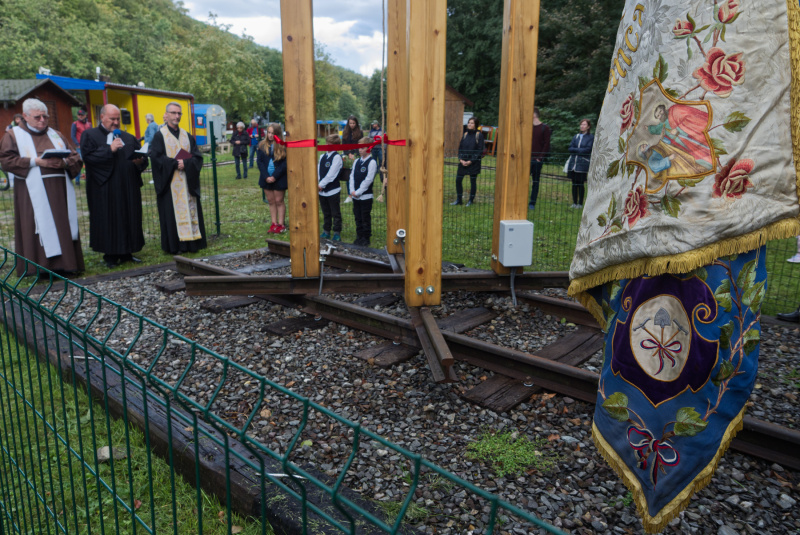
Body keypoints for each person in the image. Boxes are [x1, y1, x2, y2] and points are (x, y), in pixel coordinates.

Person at [0, 98, 84, 275]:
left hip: (60, 191)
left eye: (45, 117)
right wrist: (35, 161)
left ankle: (67, 265)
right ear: (25, 116)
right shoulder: (13, 136)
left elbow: (76, 158)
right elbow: (6, 161)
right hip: (31, 193)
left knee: (62, 224)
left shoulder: (56, 135)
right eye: (37, 117)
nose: (42, 120)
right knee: (36, 226)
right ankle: (40, 267)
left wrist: (64, 163)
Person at [80, 104, 148, 268]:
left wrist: (140, 162)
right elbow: (88, 158)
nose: (116, 122)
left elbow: (142, 158)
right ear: (102, 117)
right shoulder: (90, 135)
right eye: (112, 119)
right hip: (105, 188)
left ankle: (127, 253)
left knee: (129, 217)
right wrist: (109, 150)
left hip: (128, 186)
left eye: (118, 119)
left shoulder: (128, 137)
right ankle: (110, 255)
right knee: (108, 219)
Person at [148, 101, 207, 254]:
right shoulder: (159, 136)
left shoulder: (187, 136)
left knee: (190, 210)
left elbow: (197, 157)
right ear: (166, 115)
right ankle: (176, 246)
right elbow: (156, 158)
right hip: (170, 184)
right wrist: (174, 164)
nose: (177, 116)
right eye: (173, 113)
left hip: (187, 183)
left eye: (179, 113)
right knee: (171, 214)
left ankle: (192, 243)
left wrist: (186, 163)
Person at [257, 123, 287, 234]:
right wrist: (266, 177)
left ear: (277, 134)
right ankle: (274, 223)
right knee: (271, 201)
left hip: (279, 178)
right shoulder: (262, 145)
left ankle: (281, 224)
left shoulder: (283, 146)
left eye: (273, 133)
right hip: (266, 178)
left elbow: (284, 163)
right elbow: (259, 162)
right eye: (269, 132)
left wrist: (274, 176)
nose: (270, 135)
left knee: (279, 201)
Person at [348, 137, 378, 246]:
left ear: (369, 148)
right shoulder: (356, 161)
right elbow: (352, 176)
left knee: (365, 217)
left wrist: (359, 192)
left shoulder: (372, 162)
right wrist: (352, 190)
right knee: (357, 216)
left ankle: (366, 238)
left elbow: (368, 180)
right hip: (355, 195)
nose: (360, 150)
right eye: (359, 147)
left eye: (362, 148)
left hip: (365, 196)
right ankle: (359, 236)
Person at [451, 117, 484, 206]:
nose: (469, 124)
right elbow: (460, 148)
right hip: (463, 162)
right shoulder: (465, 134)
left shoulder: (479, 135)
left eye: (472, 123)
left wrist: (471, 161)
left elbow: (479, 150)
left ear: (476, 125)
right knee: (458, 180)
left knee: (473, 182)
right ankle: (459, 200)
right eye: (469, 122)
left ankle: (470, 201)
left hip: (474, 163)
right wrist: (461, 159)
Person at [318, 134, 343, 242]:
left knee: (335, 213)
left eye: (330, 144)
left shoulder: (337, 157)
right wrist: (317, 183)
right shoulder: (322, 156)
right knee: (326, 212)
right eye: (327, 143)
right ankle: (326, 231)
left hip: (333, 190)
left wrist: (321, 184)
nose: (327, 145)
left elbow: (331, 175)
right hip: (322, 191)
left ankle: (337, 232)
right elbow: (318, 171)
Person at [566, 119, 594, 208]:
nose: (582, 126)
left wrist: (576, 150)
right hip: (573, 164)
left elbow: (588, 150)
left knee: (580, 184)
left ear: (588, 126)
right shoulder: (576, 136)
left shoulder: (591, 137)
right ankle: (574, 202)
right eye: (581, 124)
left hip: (582, 164)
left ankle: (580, 203)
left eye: (584, 124)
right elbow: (570, 148)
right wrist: (579, 150)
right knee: (574, 183)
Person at [528, 107, 551, 210]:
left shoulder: (545, 128)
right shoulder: (527, 127)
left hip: (537, 160)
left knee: (535, 181)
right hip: (527, 159)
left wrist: (540, 158)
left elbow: (546, 144)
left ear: (534, 114)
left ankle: (532, 203)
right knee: (523, 181)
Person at [70, 107, 90, 185]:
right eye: (79, 115)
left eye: (82, 115)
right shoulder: (75, 124)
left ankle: (89, 179)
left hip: (88, 146)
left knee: (89, 163)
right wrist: (78, 145)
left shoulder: (89, 124)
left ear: (85, 115)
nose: (80, 116)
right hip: (80, 147)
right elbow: (73, 135)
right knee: (79, 163)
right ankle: (77, 180)